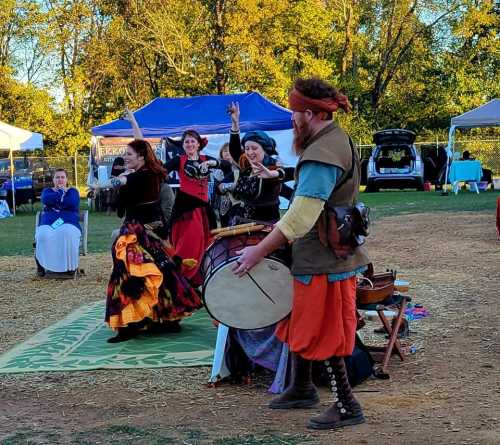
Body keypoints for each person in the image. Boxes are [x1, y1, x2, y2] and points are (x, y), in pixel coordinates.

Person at [233, 77, 371, 430]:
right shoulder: (334, 139)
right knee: (297, 319)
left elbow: (302, 216)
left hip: (324, 258)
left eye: (295, 113)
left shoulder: (323, 152)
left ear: (310, 114)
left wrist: (258, 252)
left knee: (324, 331)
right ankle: (301, 386)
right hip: (320, 254)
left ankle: (346, 406)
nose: (291, 119)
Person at [91, 137, 202, 343]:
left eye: (129, 154)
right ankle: (163, 319)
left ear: (141, 157)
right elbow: (139, 141)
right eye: (125, 153)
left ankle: (132, 324)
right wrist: (132, 120)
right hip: (146, 229)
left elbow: (121, 182)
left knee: (128, 274)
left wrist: (102, 184)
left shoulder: (142, 176)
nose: (125, 157)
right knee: (159, 272)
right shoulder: (148, 171)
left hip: (139, 231)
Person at [164, 130, 232, 286]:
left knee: (206, 242)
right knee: (188, 243)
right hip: (186, 209)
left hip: (203, 208)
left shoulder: (205, 159)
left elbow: (227, 167)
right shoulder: (178, 160)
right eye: (187, 141)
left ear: (198, 144)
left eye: (193, 141)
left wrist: (212, 163)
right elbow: (161, 171)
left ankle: (197, 279)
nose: (190, 144)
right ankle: (182, 277)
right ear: (183, 145)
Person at [224, 102, 292, 224]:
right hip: (242, 224)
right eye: (247, 148)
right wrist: (235, 123)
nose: (249, 152)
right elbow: (234, 150)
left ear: (265, 150)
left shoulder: (272, 167)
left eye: (254, 148)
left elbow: (293, 172)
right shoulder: (246, 165)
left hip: (264, 228)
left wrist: (275, 174)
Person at [35, 169, 81, 277]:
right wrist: (61, 194)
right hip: (49, 222)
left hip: (67, 221)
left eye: (62, 177)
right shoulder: (47, 191)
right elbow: (46, 200)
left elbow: (72, 202)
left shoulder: (72, 191)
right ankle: (42, 265)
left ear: (66, 179)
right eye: (57, 177)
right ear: (53, 180)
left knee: (67, 232)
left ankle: (69, 267)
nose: (60, 180)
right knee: (43, 235)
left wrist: (57, 200)